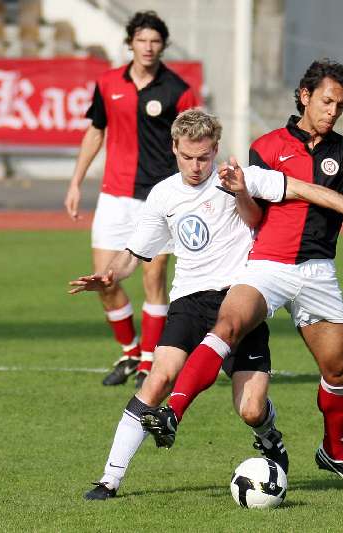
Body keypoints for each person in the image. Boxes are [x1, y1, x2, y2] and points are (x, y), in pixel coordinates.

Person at [69, 109, 343, 500]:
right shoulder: (162, 195)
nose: (196, 166)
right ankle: (109, 480)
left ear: (215, 150)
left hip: (239, 298)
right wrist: (110, 274)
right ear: (174, 148)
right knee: (158, 377)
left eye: (204, 157)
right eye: (188, 157)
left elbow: (295, 196)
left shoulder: (239, 176)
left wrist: (244, 191)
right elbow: (133, 254)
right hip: (189, 301)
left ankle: (269, 438)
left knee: (250, 408)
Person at [138, 59, 343, 491]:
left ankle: (335, 452)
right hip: (267, 264)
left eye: (340, 105)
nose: (333, 111)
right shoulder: (267, 146)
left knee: (339, 370)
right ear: (305, 96)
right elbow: (249, 208)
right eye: (327, 101)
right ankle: (173, 411)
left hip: (318, 271)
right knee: (227, 324)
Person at [64, 11, 199, 388]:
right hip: (113, 196)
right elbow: (95, 132)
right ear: (130, 44)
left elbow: (194, 142)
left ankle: (148, 362)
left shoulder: (178, 89)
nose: (148, 47)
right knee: (103, 280)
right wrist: (76, 182)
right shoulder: (108, 83)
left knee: (154, 279)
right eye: (142, 40)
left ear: (163, 46)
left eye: (155, 41)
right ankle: (129, 351)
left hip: (159, 198)